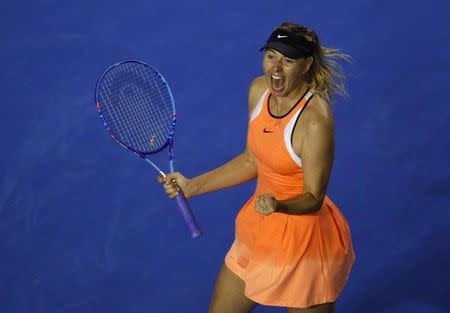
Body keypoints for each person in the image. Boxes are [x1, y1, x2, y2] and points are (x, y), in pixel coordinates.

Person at [158, 22, 355, 313]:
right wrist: (193, 186)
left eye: (287, 60)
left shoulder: (315, 120)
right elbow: (252, 160)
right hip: (260, 229)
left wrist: (278, 205)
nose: (276, 68)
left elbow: (313, 197)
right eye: (271, 56)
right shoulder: (258, 90)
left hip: (306, 243)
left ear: (306, 64)